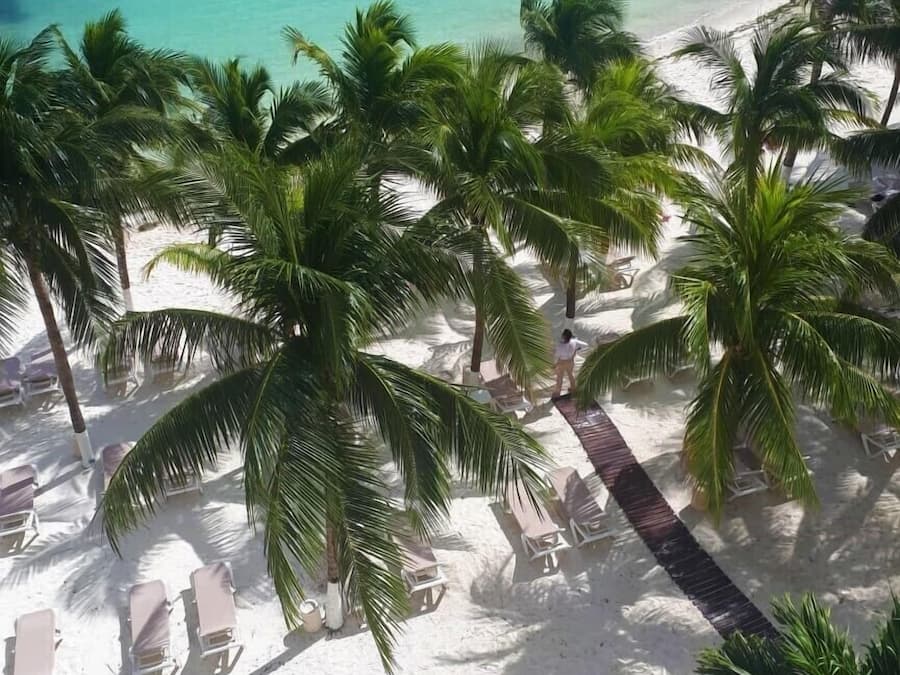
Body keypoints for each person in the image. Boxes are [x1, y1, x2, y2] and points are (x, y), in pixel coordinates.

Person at [551, 329, 588, 398]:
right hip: (570, 361)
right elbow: (585, 345)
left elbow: (557, 356)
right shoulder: (574, 342)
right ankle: (573, 389)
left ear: (563, 336)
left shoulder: (560, 346)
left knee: (560, 377)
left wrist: (555, 364)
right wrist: (576, 350)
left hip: (562, 362)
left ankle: (557, 393)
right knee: (571, 375)